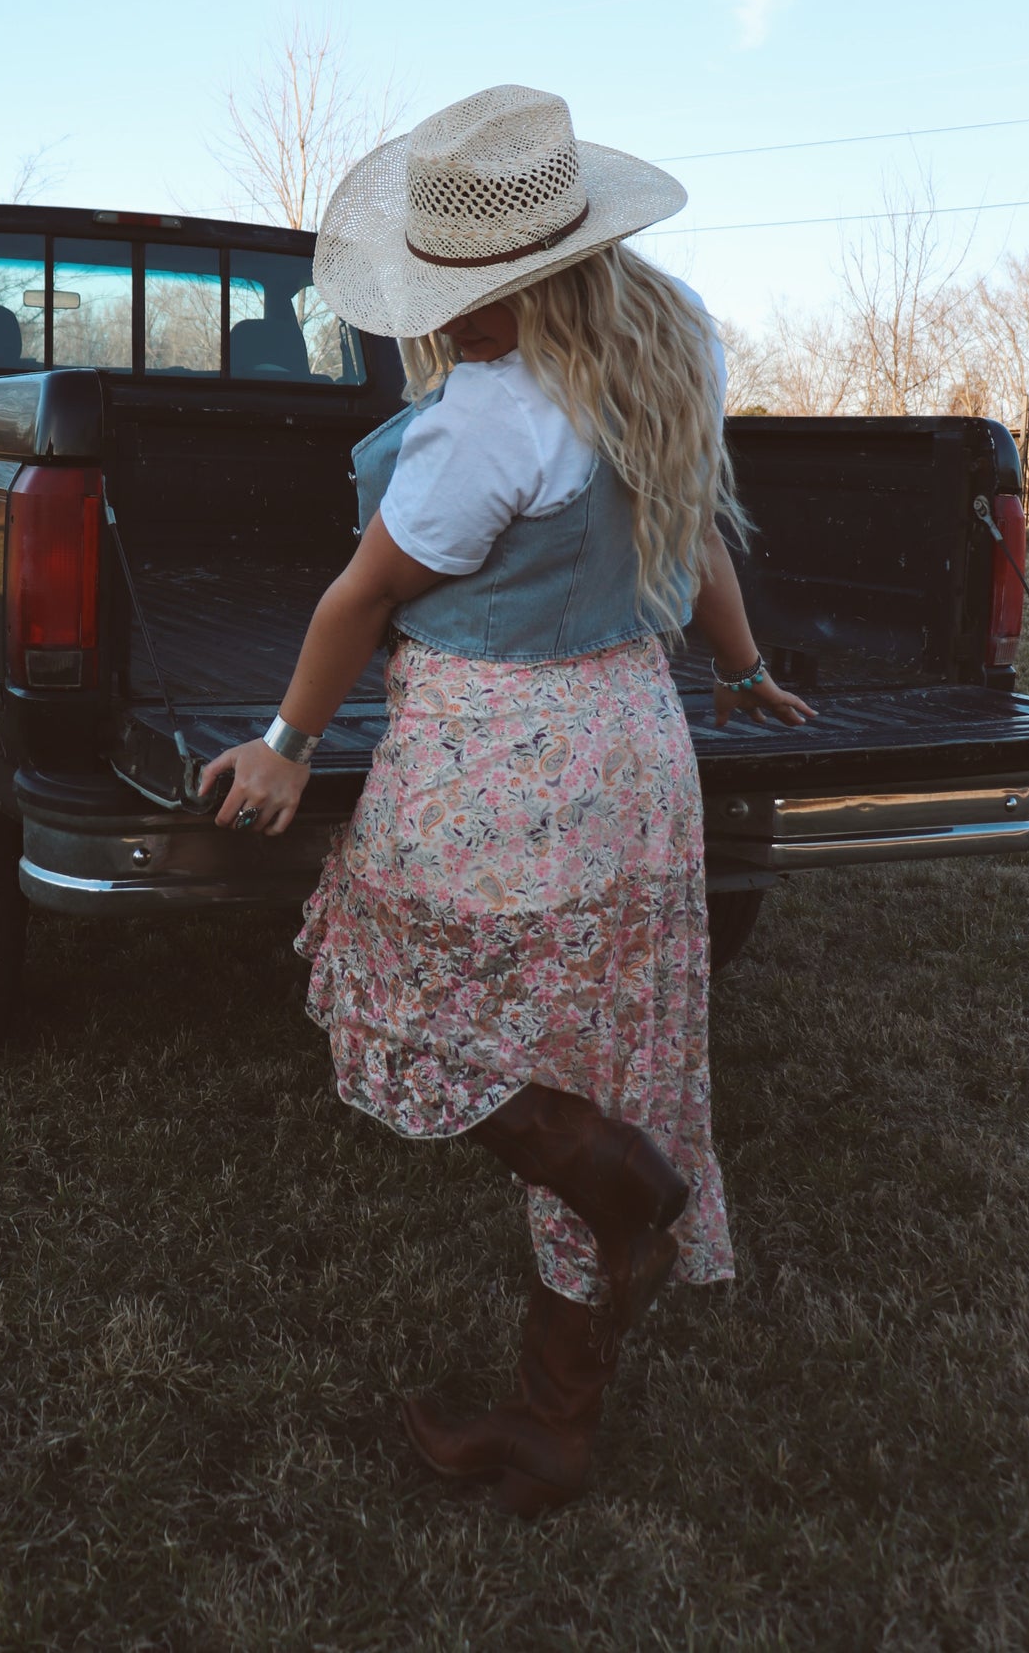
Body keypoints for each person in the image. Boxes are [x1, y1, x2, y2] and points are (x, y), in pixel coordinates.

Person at [199, 84, 815, 1517]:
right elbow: (695, 528)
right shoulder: (672, 340)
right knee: (606, 1052)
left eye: (455, 297)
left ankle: (618, 1183)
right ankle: (553, 1422)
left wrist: (285, 742)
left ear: (522, 279)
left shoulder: (487, 420)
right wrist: (737, 667)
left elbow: (361, 597)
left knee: (386, 994)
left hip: (496, 755)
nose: (441, 323)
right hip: (635, 745)